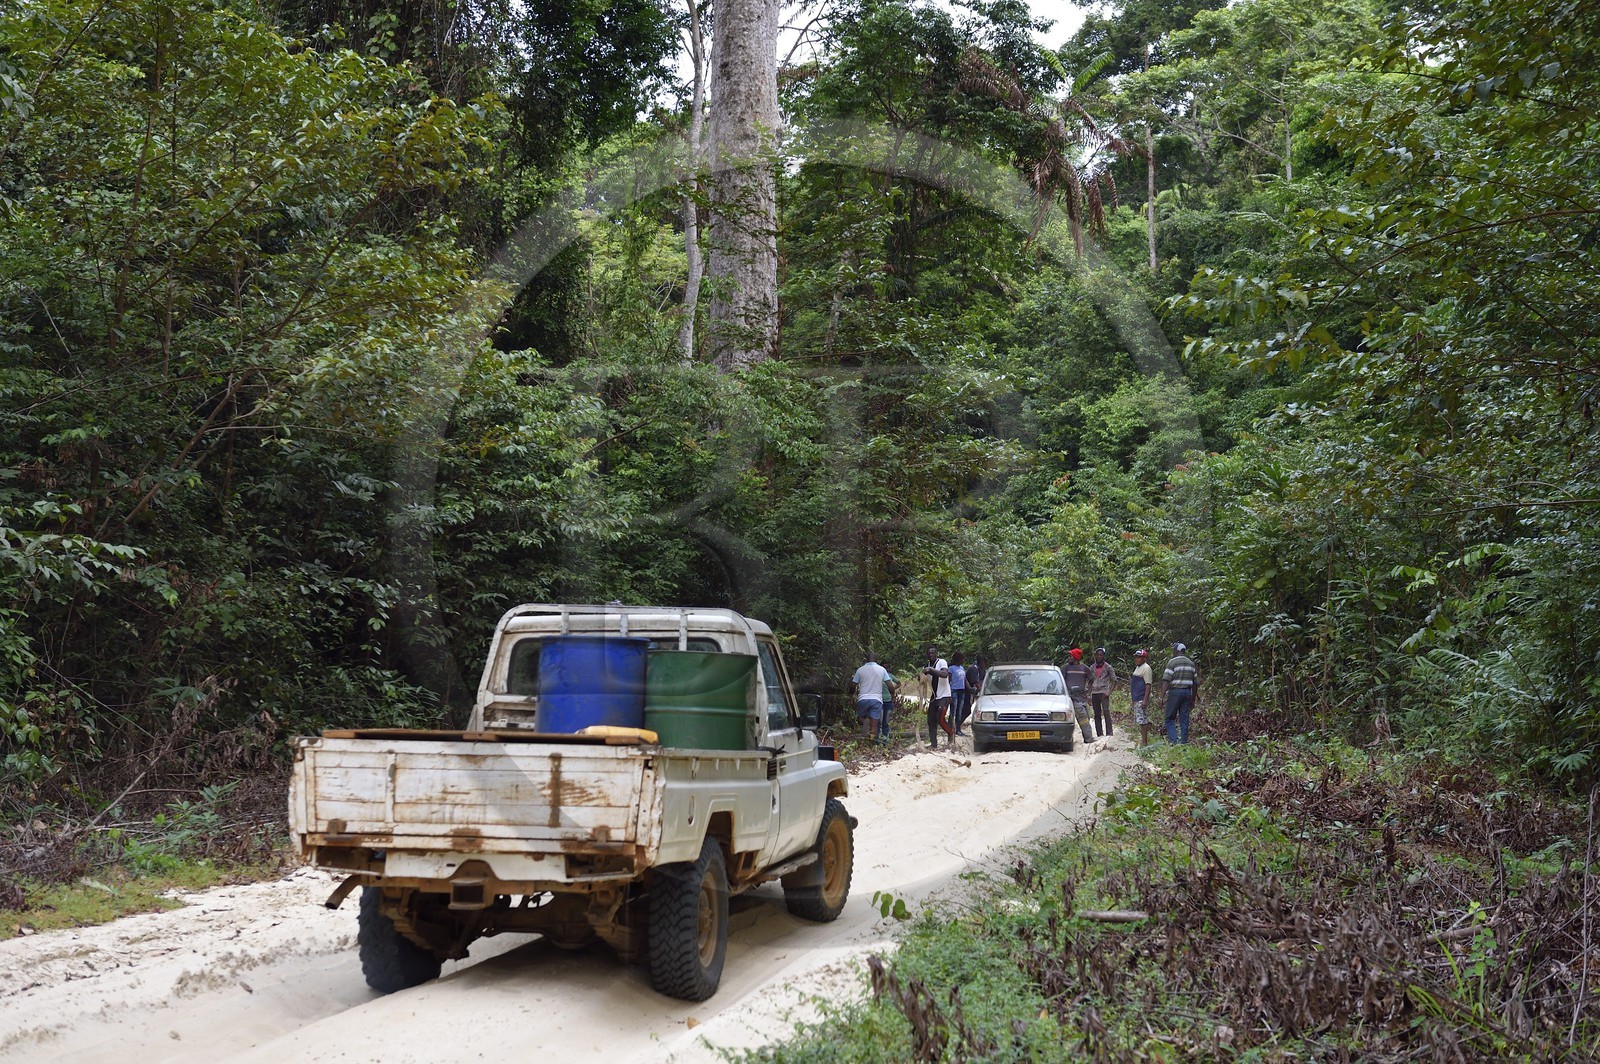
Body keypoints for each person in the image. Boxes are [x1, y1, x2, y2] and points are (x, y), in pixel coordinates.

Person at [851, 653, 898, 744]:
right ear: (877, 660)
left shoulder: (860, 670)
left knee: (860, 719)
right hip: (877, 700)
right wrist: (892, 696)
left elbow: (853, 685)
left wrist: (851, 696)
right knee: (874, 725)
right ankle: (871, 743)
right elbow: (890, 686)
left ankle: (865, 721)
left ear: (866, 659)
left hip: (863, 699)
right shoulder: (882, 670)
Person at [1161, 642, 1200, 744]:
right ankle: (1183, 743)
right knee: (1184, 720)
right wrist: (1193, 699)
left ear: (1176, 651)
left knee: (1169, 718)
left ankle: (1174, 742)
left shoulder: (1172, 662)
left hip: (1175, 692)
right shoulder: (1191, 663)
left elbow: (1166, 680)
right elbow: (1195, 683)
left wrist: (1161, 697)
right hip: (1187, 692)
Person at [1061, 647, 1097, 743]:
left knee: (1087, 718)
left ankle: (1086, 738)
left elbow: (1091, 680)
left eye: (1071, 656)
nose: (1069, 658)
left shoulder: (1085, 668)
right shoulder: (1065, 668)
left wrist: (1088, 693)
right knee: (1083, 718)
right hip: (1072, 698)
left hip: (1082, 698)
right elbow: (1060, 681)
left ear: (1076, 658)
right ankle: (1089, 739)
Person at [922, 646, 952, 748]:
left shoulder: (941, 662)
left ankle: (951, 734)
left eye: (932, 653)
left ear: (936, 654)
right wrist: (921, 675)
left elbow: (944, 674)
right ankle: (933, 744)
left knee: (940, 718)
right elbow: (921, 679)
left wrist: (931, 670)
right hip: (934, 696)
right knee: (930, 719)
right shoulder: (927, 665)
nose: (931, 655)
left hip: (944, 695)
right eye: (929, 653)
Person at [1088, 647, 1117, 739]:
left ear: (1104, 656)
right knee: (1096, 713)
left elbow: (1114, 680)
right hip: (1094, 692)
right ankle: (1099, 734)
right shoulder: (1092, 667)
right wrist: (1088, 694)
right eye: (1098, 655)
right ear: (1095, 656)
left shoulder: (1108, 667)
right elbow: (1090, 682)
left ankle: (1109, 733)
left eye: (1101, 655)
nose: (1099, 656)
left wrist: (1109, 692)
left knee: (1106, 711)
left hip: (1104, 692)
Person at [1129, 649, 1154, 747]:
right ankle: (1143, 740)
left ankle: (1145, 742)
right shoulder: (1138, 668)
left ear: (1144, 658)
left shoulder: (1146, 668)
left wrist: (1145, 700)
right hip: (1136, 697)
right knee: (1140, 720)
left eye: (1139, 657)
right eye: (1136, 657)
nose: (1136, 659)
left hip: (1141, 697)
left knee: (1143, 720)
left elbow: (1148, 685)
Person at [948, 652, 969, 736]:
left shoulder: (962, 668)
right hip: (954, 690)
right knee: (953, 710)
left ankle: (958, 729)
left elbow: (964, 680)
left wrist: (969, 688)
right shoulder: (951, 668)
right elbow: (948, 681)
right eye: (962, 659)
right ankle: (950, 728)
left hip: (962, 691)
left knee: (959, 711)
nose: (963, 660)